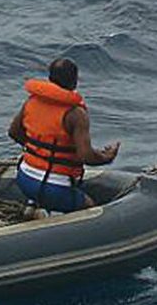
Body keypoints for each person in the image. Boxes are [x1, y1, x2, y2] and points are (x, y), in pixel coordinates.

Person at [8, 58, 119, 212]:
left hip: (24, 178)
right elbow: (86, 156)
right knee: (89, 209)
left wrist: (40, 152)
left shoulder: (32, 101)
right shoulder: (75, 114)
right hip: (54, 187)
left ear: (50, 78)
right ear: (74, 81)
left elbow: (14, 132)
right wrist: (107, 157)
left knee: (48, 192)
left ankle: (34, 207)